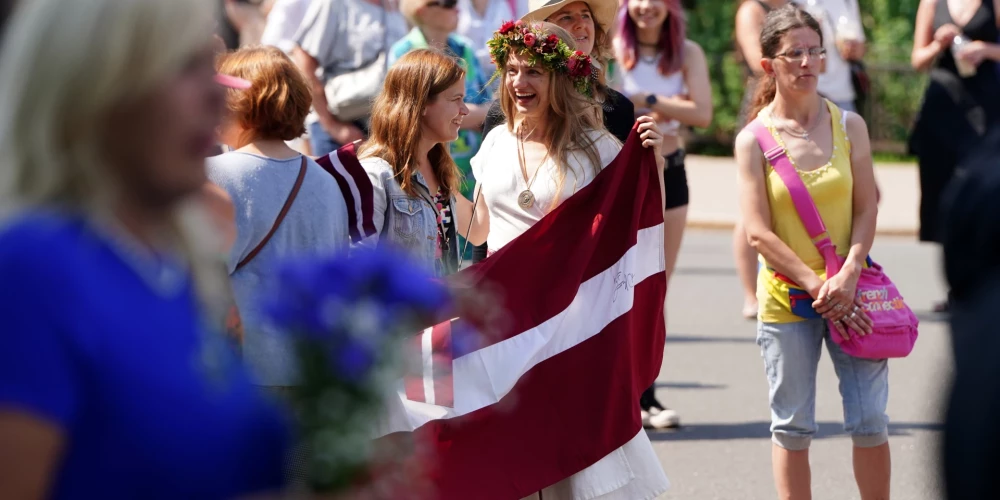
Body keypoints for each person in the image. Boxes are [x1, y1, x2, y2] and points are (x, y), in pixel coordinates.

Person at [0, 0, 290, 497]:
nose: (217, 101)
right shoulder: (30, 273)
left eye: (210, 69)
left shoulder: (175, 266)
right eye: (182, 67)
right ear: (92, 88)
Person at [470, 21, 671, 499]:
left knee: (568, 471)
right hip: (502, 327)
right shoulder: (495, 142)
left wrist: (653, 165)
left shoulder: (598, 150)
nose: (519, 83)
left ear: (560, 80)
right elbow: (476, 231)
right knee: (508, 464)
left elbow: (629, 232)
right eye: (513, 71)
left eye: (534, 72)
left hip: (568, 330)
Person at [734, 5, 888, 499]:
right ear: (768, 65)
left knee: (870, 421)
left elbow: (867, 209)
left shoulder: (850, 125)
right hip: (788, 299)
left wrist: (847, 274)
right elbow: (757, 231)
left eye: (814, 51)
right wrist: (816, 282)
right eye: (793, 53)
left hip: (852, 294)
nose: (806, 62)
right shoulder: (753, 139)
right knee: (792, 428)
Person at [208, 46, 351, 389]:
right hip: (315, 373)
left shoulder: (216, 175)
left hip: (246, 376)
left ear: (241, 104)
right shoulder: (326, 180)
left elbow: (199, 283)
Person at [612, 0, 712, 430]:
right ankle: (617, 392)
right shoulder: (612, 47)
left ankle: (645, 395)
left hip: (670, 174)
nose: (647, 6)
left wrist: (649, 100)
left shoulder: (687, 53)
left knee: (656, 285)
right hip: (621, 176)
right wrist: (675, 104)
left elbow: (703, 114)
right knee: (618, 285)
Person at [909, 0, 1000, 313]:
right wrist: (938, 44)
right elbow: (917, 61)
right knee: (944, 196)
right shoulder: (931, 4)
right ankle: (958, 289)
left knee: (985, 194)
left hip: (986, 106)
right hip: (943, 105)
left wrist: (985, 50)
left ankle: (986, 287)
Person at [357, 48, 475, 276]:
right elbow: (358, 268)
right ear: (421, 104)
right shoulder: (375, 173)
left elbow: (476, 231)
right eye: (456, 99)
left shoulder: (437, 165)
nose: (465, 110)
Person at [390, 0, 493, 210]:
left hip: (471, 171)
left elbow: (491, 109)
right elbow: (410, 114)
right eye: (448, 2)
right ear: (422, 10)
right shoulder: (404, 52)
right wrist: (475, 115)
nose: (457, 7)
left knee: (470, 236)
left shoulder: (465, 48)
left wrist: (450, 112)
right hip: (425, 170)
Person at [733, 0, 791, 320]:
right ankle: (750, 294)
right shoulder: (752, 10)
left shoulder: (798, 7)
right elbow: (759, 62)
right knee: (751, 206)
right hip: (761, 105)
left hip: (795, 105)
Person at [292, 0, 408, 156]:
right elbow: (303, 61)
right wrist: (332, 126)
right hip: (337, 127)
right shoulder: (334, 4)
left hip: (383, 128)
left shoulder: (395, 7)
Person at [456, 0, 515, 74]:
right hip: (466, 72)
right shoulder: (459, 4)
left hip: (497, 72)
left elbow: (510, 36)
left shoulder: (501, 5)